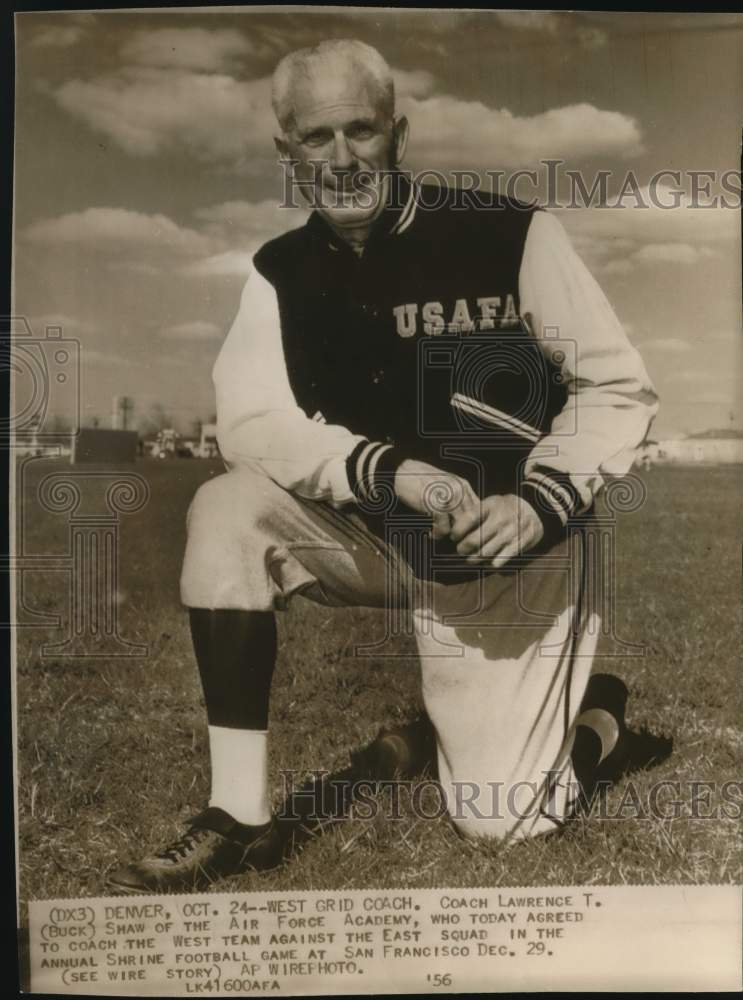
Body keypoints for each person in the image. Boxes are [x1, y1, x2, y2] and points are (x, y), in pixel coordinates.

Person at [108, 39, 661, 894]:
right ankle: (238, 814)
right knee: (226, 510)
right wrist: (385, 470)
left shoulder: (510, 232)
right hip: (381, 537)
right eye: (315, 138)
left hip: (513, 550)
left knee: (503, 823)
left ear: (396, 133)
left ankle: (595, 718)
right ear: (285, 152)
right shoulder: (278, 272)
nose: (341, 158)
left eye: (359, 130)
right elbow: (252, 423)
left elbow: (616, 386)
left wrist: (539, 500)